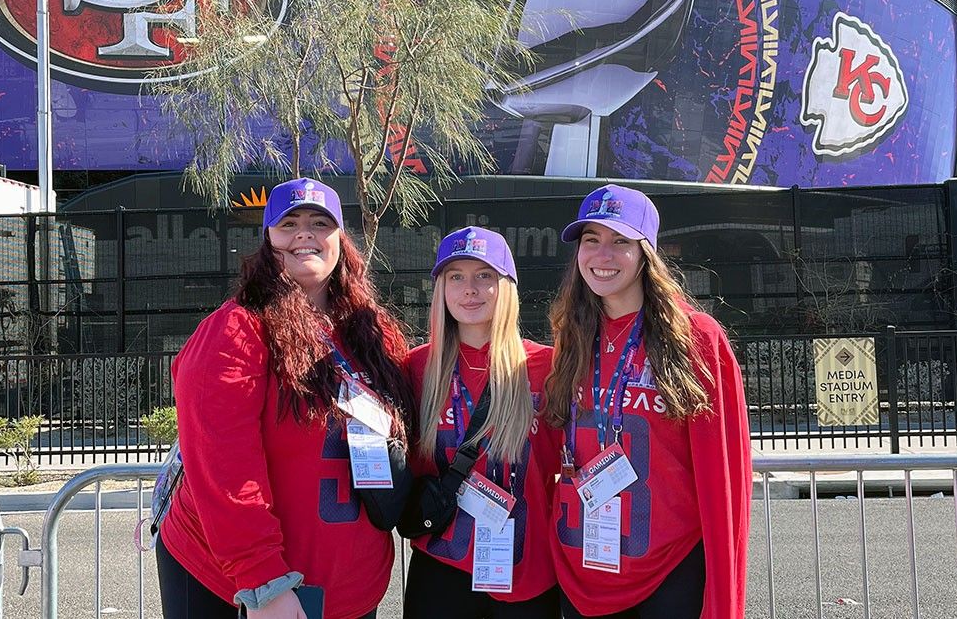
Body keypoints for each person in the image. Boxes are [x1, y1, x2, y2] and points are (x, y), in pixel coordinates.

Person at [156, 177, 415, 619]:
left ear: (339, 239)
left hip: (347, 590)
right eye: (288, 223)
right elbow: (224, 463)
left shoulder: (374, 334)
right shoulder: (237, 330)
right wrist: (262, 581)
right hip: (235, 586)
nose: (304, 234)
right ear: (267, 240)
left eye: (320, 222)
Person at [545, 184, 752, 619]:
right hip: (585, 567)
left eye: (620, 241)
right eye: (590, 240)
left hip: (670, 570)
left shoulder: (695, 337)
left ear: (646, 253)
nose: (603, 255)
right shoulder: (572, 336)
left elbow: (724, 478)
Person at [403, 227, 560, 619]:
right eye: (456, 276)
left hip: (526, 568)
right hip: (441, 564)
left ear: (505, 286)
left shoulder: (547, 367)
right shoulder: (416, 368)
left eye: (484, 275)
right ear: (440, 288)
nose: (469, 289)